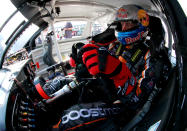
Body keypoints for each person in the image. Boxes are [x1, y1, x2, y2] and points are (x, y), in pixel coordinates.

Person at [34, 4, 171, 130]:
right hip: (100, 88)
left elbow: (137, 101)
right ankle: (34, 109)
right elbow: (99, 64)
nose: (123, 28)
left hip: (120, 104)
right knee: (58, 81)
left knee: (71, 118)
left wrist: (118, 76)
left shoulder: (151, 56)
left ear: (140, 25)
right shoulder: (115, 44)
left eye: (128, 24)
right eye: (122, 23)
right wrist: (82, 61)